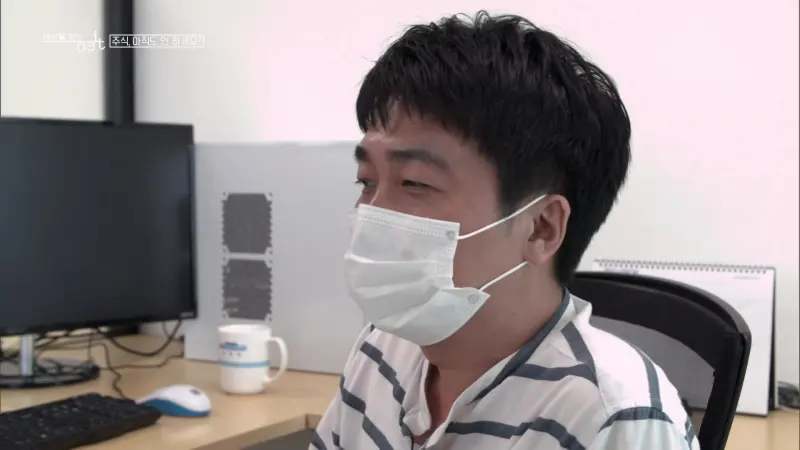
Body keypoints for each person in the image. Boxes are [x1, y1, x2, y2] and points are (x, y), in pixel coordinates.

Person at [312, 11, 698, 450]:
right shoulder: (382, 348)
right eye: (366, 182)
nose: (371, 214)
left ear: (541, 228)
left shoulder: (612, 418)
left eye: (415, 183)